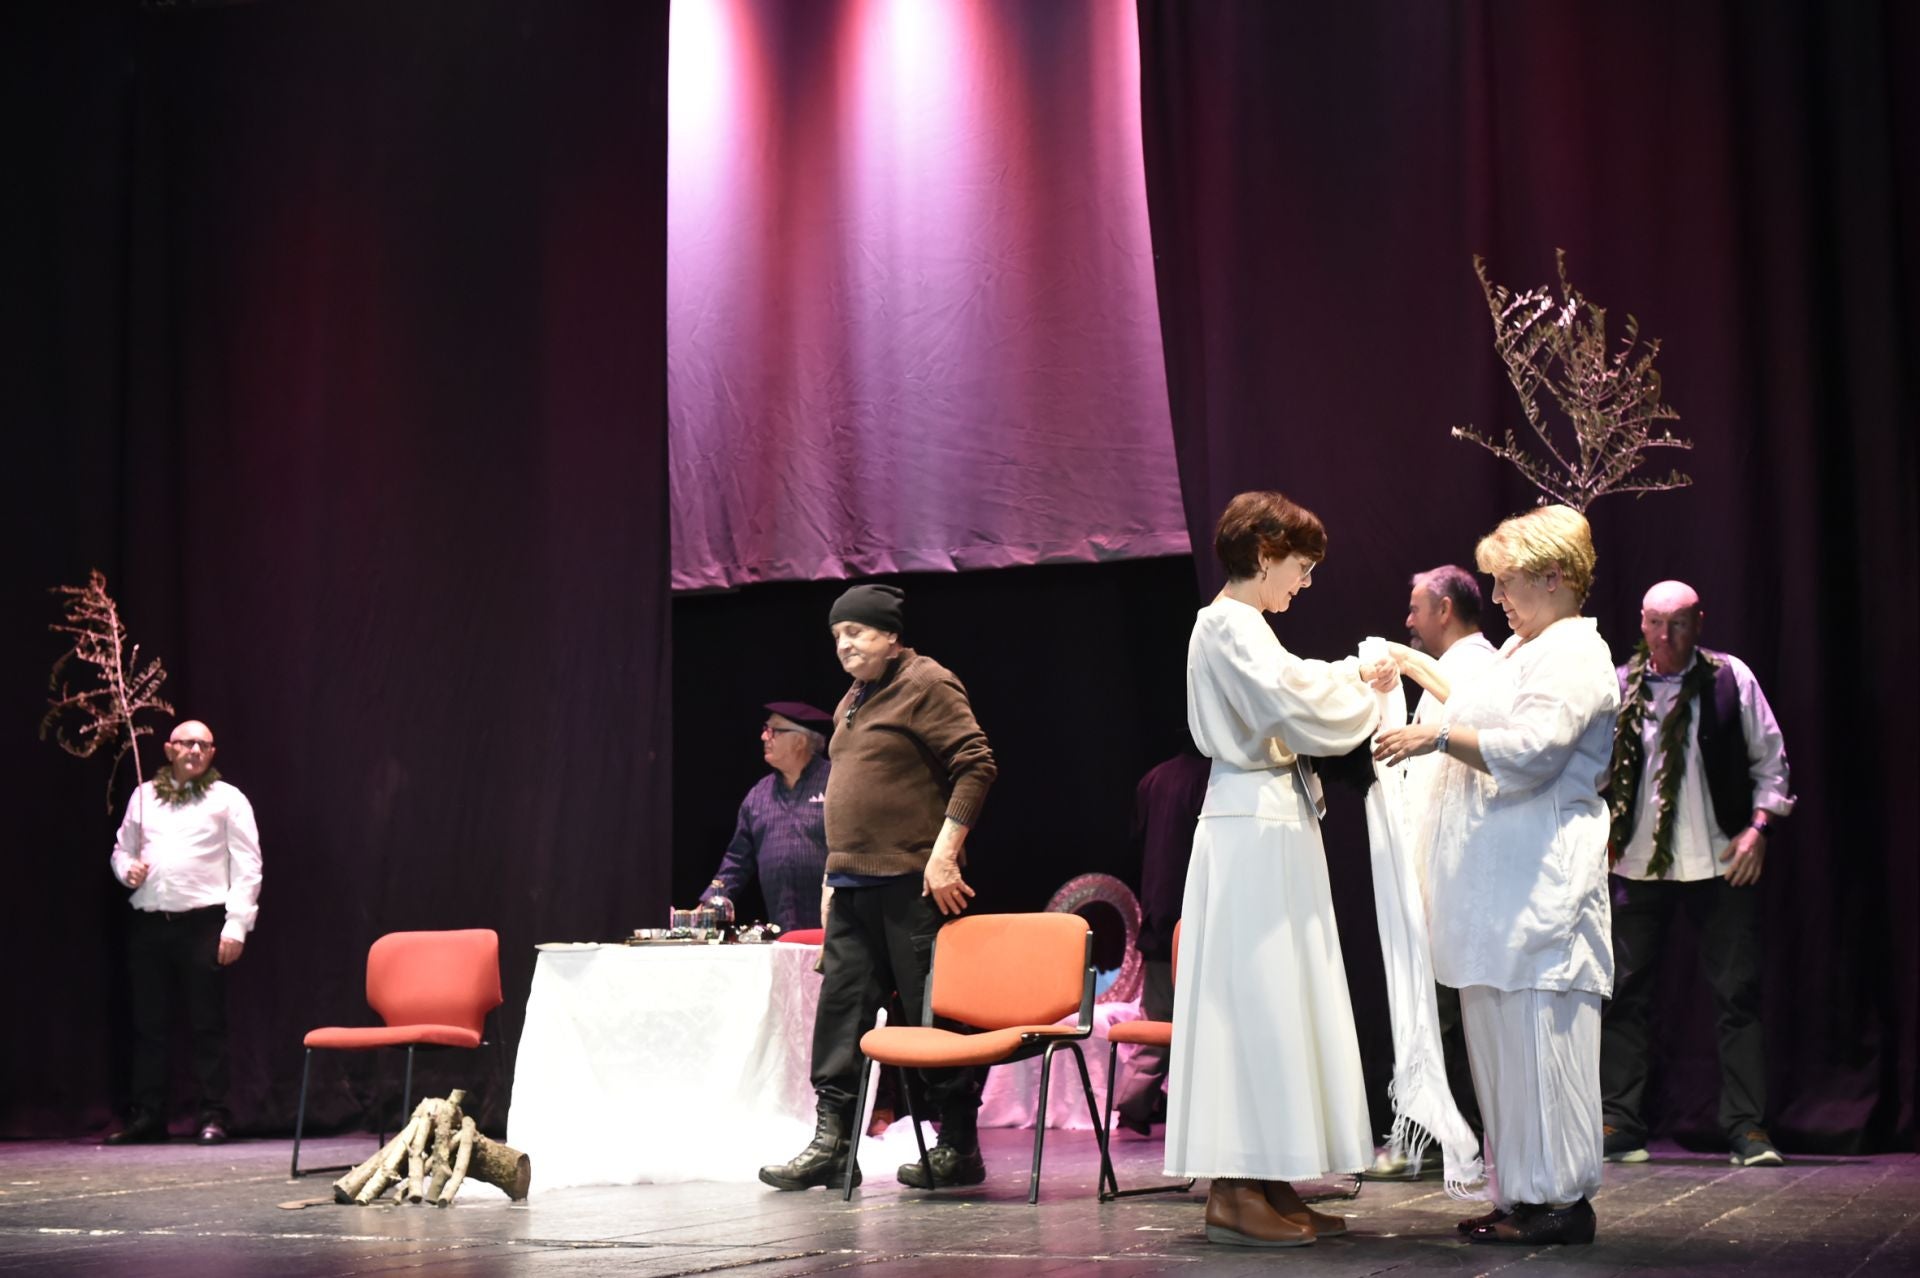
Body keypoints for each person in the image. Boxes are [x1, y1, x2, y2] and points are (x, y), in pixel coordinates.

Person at [1375, 504, 1618, 1246]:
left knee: (1540, 1048)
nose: (1499, 596)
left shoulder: (1576, 654)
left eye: (1508, 581)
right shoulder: (1522, 648)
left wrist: (1437, 736)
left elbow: (1537, 746)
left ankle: (1559, 1202)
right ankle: (1519, 1193)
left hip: (1539, 892)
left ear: (1555, 577)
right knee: (1499, 1051)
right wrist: (1415, 667)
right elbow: (1481, 701)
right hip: (1496, 899)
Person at [1168, 490, 1398, 1248]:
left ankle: (1267, 1180)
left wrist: (1346, 678)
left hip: (1272, 819)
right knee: (1254, 995)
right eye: (1298, 567)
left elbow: (1293, 681)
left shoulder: (1249, 629)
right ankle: (1236, 1191)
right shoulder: (1228, 624)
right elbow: (1290, 701)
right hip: (1250, 827)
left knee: (1280, 996)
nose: (1303, 584)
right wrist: (1363, 689)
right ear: (1264, 554)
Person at [759, 583, 997, 1192]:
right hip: (851, 885)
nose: (845, 645)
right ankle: (833, 1144)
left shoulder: (927, 683)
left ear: (891, 635)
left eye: (857, 632)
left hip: (911, 885)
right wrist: (829, 881)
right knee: (840, 1017)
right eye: (837, 635)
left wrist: (942, 858)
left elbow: (975, 764)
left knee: (930, 1016)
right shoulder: (852, 701)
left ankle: (959, 1146)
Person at [1599, 581, 1794, 1168]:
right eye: (1656, 623)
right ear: (1641, 623)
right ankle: (1619, 1122)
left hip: (1720, 861)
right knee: (1624, 994)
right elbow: (1593, 769)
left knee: (1737, 993)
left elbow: (1771, 761)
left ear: (1699, 622)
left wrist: (1759, 828)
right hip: (1637, 862)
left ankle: (1746, 1127)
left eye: (1679, 623)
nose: (1666, 636)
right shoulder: (1618, 685)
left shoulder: (1731, 678)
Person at [1369, 565, 1499, 1175]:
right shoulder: (1450, 672)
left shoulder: (1473, 668)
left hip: (1460, 870)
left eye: (1416, 608)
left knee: (1447, 1008)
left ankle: (1455, 1136)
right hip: (1436, 864)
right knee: (1432, 1005)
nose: (1409, 620)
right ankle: (1434, 1134)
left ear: (1445, 609)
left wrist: (1402, 661)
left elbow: (1474, 724)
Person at [103, 720, 263, 1146]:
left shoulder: (227, 800)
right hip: (151, 922)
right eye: (186, 743)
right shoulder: (143, 797)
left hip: (202, 923)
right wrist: (127, 870)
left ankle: (214, 1114)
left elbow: (248, 865)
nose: (194, 749)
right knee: (148, 1025)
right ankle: (149, 1115)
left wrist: (236, 925)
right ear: (169, 749)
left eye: (203, 744)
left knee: (207, 1023)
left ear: (212, 753)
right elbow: (122, 849)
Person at [1109, 748, 1209, 1135]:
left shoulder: (1153, 778)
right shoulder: (1215, 779)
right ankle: (1200, 1115)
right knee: (1203, 1024)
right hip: (1193, 913)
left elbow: (1139, 838)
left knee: (1157, 1021)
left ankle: (1133, 1108)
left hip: (1158, 912)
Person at [700, 702, 833, 930]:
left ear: (800, 741)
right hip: (783, 930)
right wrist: (711, 902)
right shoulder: (759, 795)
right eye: (765, 729)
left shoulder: (836, 782)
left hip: (837, 927)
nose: (763, 736)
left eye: (773, 730)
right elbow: (736, 860)